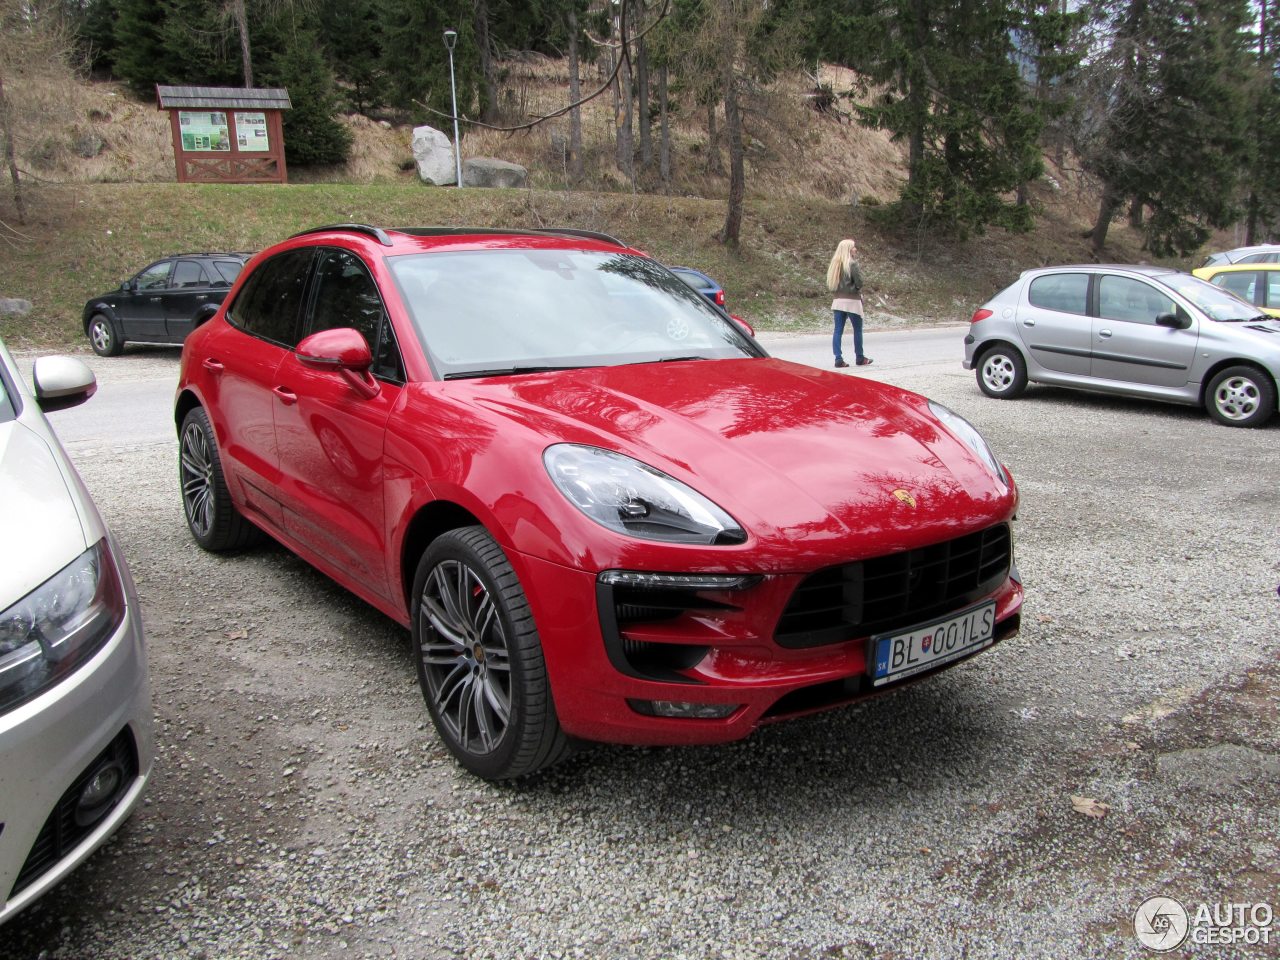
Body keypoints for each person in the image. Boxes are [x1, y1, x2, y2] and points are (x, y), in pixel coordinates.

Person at [825, 238, 872, 368]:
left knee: (838, 330)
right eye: (853, 247)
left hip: (838, 300)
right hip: (852, 301)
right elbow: (859, 283)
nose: (855, 249)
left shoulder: (834, 265)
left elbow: (832, 285)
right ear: (848, 249)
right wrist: (857, 290)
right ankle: (860, 357)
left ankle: (838, 358)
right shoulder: (852, 264)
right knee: (857, 330)